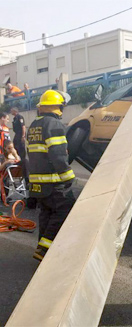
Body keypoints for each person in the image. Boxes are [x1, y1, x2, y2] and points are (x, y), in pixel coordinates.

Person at [27, 90, 76, 262]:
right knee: (64, 210)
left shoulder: (34, 125)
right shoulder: (54, 125)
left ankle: (42, 248)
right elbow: (58, 155)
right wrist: (68, 176)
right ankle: (44, 250)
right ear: (59, 107)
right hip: (54, 182)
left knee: (46, 214)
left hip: (38, 183)